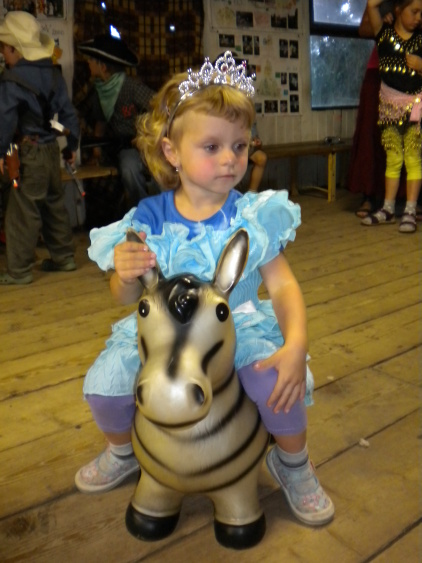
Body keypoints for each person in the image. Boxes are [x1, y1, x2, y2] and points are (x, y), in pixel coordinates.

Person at [75, 52, 334, 527]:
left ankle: (293, 462)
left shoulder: (251, 215)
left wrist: (296, 343)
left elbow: (282, 286)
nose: (231, 158)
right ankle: (123, 450)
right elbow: (125, 298)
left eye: (239, 145)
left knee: (275, 382)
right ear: (172, 152)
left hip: (237, 325)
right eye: (212, 146)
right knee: (106, 385)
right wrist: (125, 274)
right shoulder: (149, 218)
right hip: (164, 334)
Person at [0, 11, 79, 285]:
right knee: (54, 204)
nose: (3, 54)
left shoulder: (12, 81)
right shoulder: (54, 75)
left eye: (4, 48)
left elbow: (4, 120)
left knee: (23, 210)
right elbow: (68, 115)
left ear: (15, 49)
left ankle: (19, 271)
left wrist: (0, 152)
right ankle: (64, 257)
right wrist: (72, 145)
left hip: (28, 153)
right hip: (51, 151)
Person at [361, 0, 422, 233]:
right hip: (389, 110)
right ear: (398, 10)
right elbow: (371, 5)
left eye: (421, 13)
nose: (418, 17)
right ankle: (387, 208)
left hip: (415, 111)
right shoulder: (384, 34)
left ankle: (410, 210)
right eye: (414, 11)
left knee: (413, 159)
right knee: (393, 158)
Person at [77, 33, 157, 211]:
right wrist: (96, 152)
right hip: (123, 148)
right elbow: (100, 122)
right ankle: (141, 211)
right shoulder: (99, 91)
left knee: (151, 172)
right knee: (128, 166)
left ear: (103, 66)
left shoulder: (131, 87)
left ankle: (154, 211)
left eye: (91, 60)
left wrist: (149, 134)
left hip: (145, 145)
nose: (88, 63)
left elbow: (158, 106)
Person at [247, 121, 268, 192]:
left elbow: (253, 133)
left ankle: (252, 193)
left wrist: (256, 140)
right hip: (231, 147)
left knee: (261, 158)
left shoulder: (250, 116)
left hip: (248, 148)